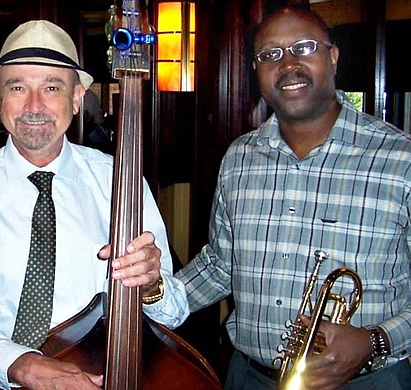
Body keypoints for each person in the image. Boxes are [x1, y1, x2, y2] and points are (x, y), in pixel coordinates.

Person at [0, 20, 189, 390]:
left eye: (51, 87)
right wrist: (22, 365)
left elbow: (172, 312)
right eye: (18, 87)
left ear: (76, 98)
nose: (34, 106)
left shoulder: (120, 182)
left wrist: (153, 285)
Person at [175, 6, 411, 390]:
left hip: (367, 381)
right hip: (249, 377)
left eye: (303, 47)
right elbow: (221, 265)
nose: (287, 64)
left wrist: (375, 341)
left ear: (332, 57)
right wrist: (147, 296)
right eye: (270, 54)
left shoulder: (401, 158)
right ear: (257, 71)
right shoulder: (239, 157)